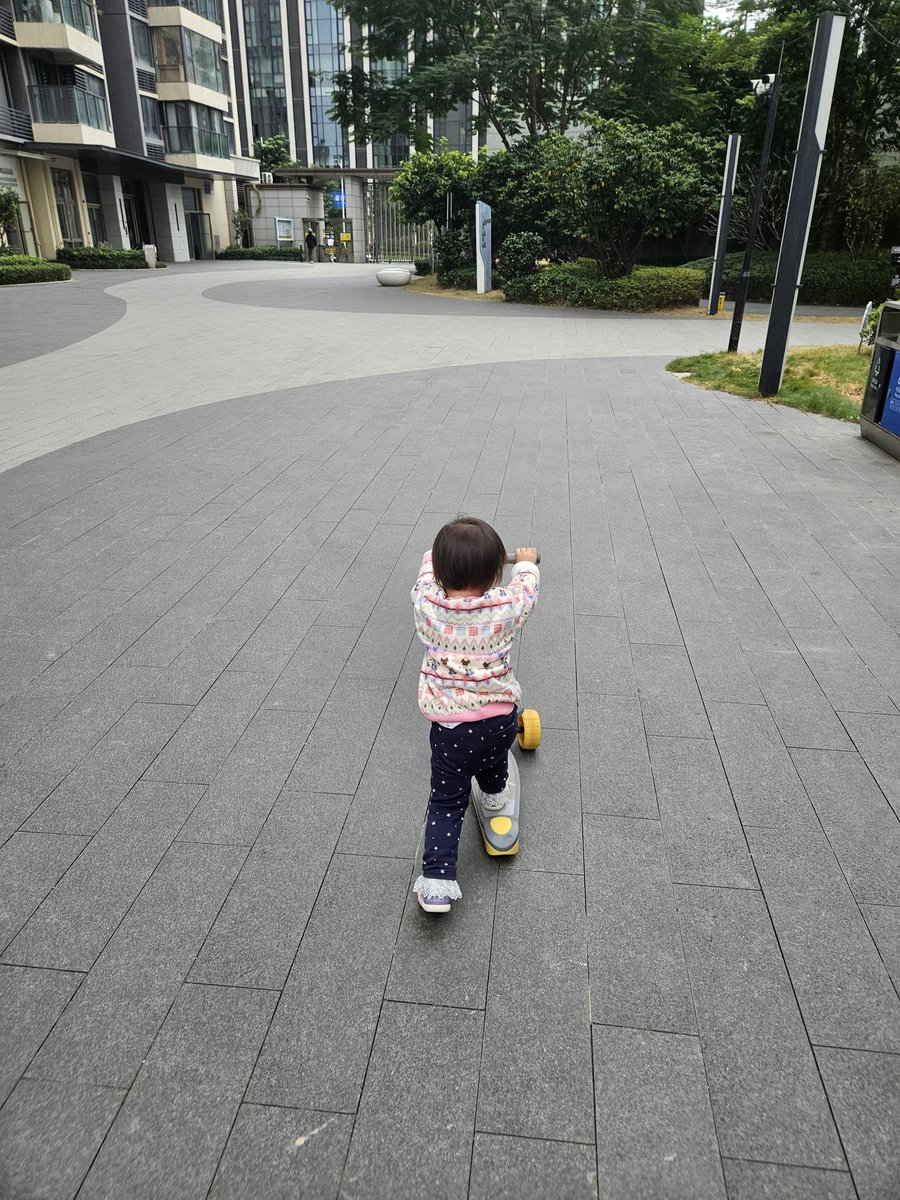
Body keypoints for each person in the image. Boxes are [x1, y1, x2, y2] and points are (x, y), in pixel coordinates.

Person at [411, 517, 540, 914]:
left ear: (440, 574)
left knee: (446, 803)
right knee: (493, 758)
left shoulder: (427, 605)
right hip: (500, 720)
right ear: (493, 575)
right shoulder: (504, 607)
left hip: (451, 730)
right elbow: (526, 590)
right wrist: (526, 563)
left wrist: (433, 557)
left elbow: (424, 577)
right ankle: (496, 796)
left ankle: (437, 883)